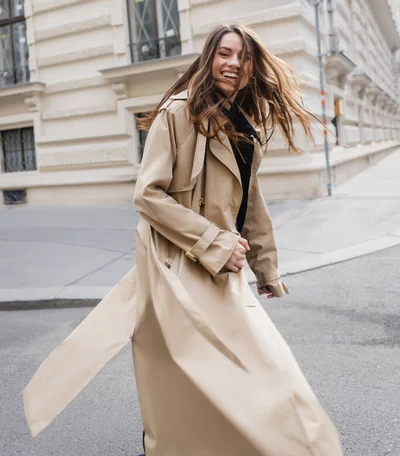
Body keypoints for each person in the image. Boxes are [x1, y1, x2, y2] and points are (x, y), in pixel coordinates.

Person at [24, 23, 342, 456]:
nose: (234, 63)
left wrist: (265, 268)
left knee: (263, 371)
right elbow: (147, 195)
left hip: (220, 268)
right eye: (225, 53)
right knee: (184, 380)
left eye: (244, 57)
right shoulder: (179, 113)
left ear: (253, 68)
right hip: (175, 267)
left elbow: (250, 202)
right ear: (209, 58)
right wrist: (216, 243)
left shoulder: (246, 126)